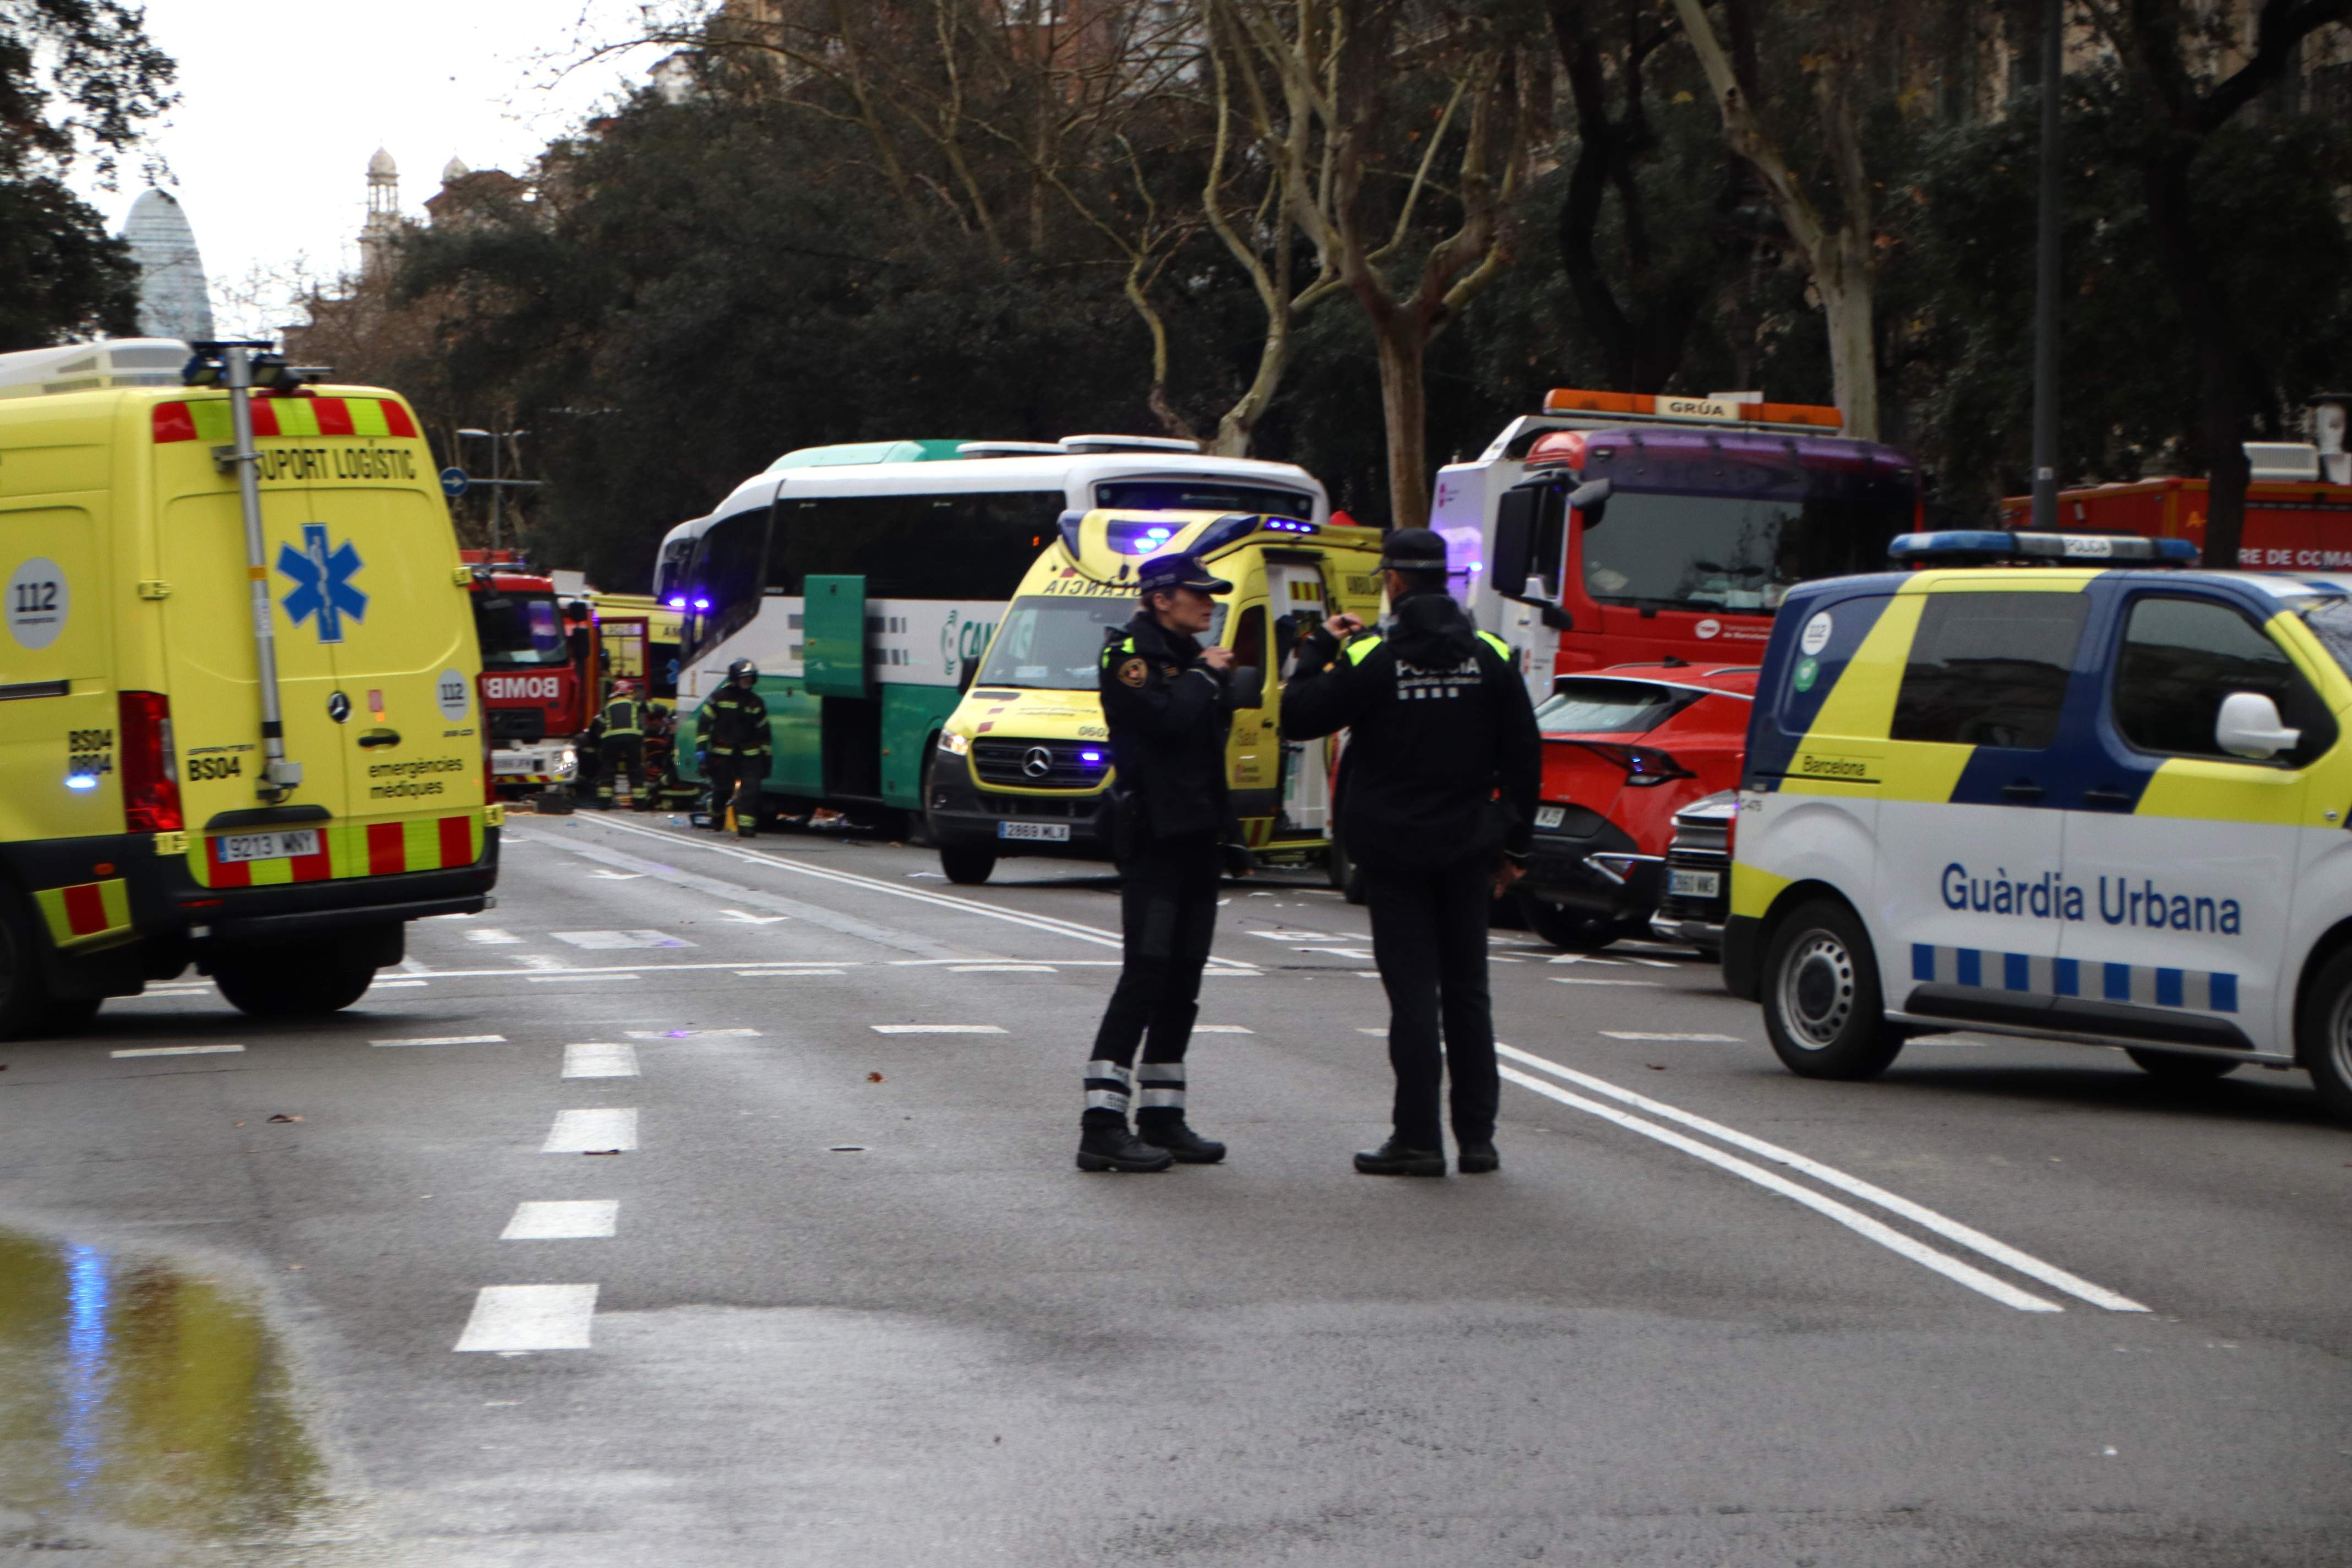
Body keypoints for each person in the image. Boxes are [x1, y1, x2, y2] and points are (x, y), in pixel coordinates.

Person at [1282, 527, 1540, 1177]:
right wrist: (1513, 842)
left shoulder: (1372, 654)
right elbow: (1525, 755)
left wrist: (1316, 646)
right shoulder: (1489, 653)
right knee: (1468, 994)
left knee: (1413, 999)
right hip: (1467, 850)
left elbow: (1300, 715)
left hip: (1394, 851)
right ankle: (1478, 1139)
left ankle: (1418, 1137)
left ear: (1394, 581)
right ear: (1446, 580)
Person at [1078, 552, 1255, 1174]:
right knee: (1146, 974)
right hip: (1154, 835)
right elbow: (1165, 720)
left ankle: (1161, 1115)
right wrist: (1205, 678)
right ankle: (1101, 1124)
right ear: (1161, 598)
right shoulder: (1129, 655)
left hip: (1198, 836)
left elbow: (1206, 755)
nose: (1209, 603)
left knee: (1184, 979)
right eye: (1197, 594)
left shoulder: (1183, 661)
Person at [695, 658, 771, 837]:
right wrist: (701, 750)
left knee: (751, 790)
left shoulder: (756, 703)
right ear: (735, 678)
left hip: (750, 756)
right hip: (724, 754)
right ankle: (716, 816)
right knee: (723, 789)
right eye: (744, 678)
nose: (748, 682)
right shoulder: (719, 698)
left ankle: (746, 826)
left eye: (751, 678)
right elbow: (704, 725)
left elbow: (764, 733)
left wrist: (767, 758)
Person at [594, 679, 646, 809]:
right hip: (633, 739)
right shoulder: (635, 704)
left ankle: (604, 803)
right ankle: (640, 804)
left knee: (608, 769)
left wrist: (601, 738)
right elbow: (655, 708)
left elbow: (600, 723)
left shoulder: (608, 706)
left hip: (612, 740)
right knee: (635, 768)